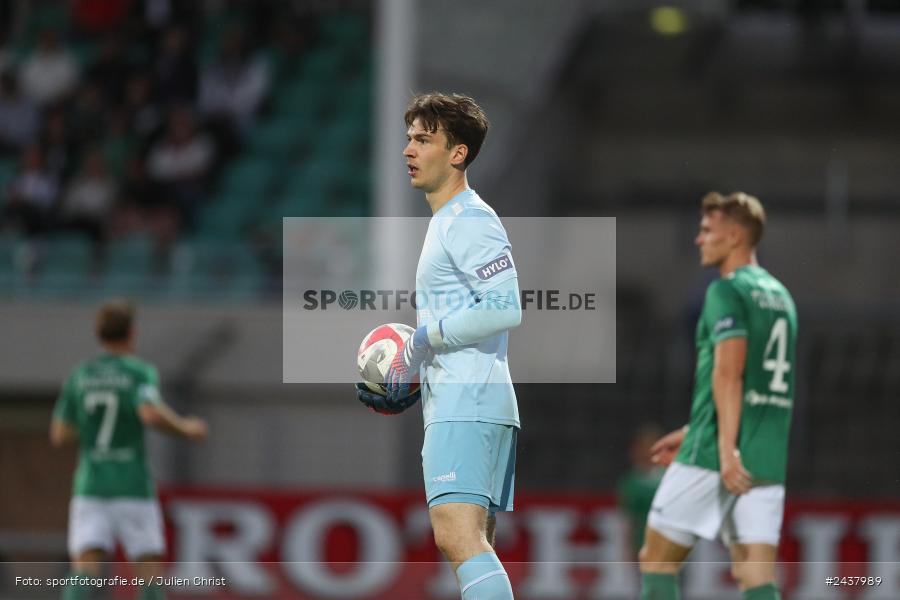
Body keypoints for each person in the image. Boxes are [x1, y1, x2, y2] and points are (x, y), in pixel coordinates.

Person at [356, 92, 521, 599]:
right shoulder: (449, 220)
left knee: (458, 539)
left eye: (424, 140)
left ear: (458, 153)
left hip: (467, 403)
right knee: (473, 541)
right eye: (409, 138)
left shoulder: (468, 219)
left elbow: (505, 307)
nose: (409, 150)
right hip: (471, 400)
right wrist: (416, 372)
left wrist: (421, 341)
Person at [638, 192, 798, 600]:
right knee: (755, 577)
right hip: (766, 456)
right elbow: (757, 384)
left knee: (657, 561)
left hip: (716, 455)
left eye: (708, 230)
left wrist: (723, 449)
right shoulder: (781, 297)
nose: (699, 239)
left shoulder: (725, 291)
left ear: (734, 235)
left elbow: (729, 374)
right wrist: (692, 429)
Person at [51, 299, 209, 600]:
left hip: (91, 485)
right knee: (148, 570)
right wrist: (186, 428)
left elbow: (60, 433)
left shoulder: (80, 375)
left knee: (85, 567)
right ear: (132, 333)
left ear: (98, 333)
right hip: (131, 485)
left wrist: (92, 428)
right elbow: (149, 414)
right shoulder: (138, 372)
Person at [617, 424, 665, 559]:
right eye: (643, 447)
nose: (646, 452)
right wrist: (627, 547)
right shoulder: (631, 482)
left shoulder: (669, 476)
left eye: (650, 446)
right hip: (642, 543)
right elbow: (628, 519)